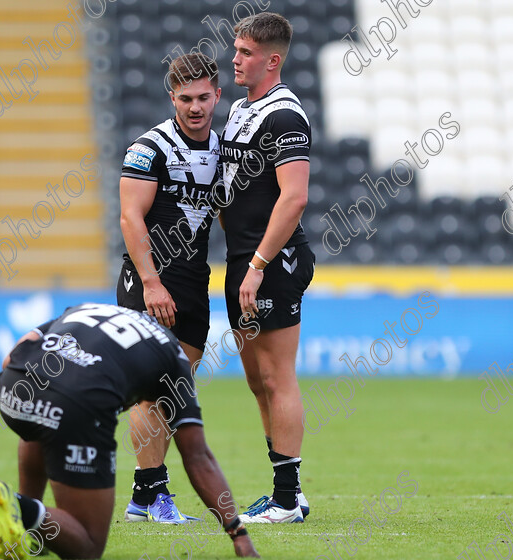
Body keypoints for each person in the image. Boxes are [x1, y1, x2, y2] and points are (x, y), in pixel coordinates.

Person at [0, 303, 259, 559]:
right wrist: (238, 532)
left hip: (14, 387)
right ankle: (21, 508)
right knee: (89, 544)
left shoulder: (87, 308)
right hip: (76, 402)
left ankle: (29, 532)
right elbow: (197, 456)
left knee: (43, 418)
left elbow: (16, 351)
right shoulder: (174, 359)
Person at [117, 52, 222, 522]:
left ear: (217, 95)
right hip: (151, 281)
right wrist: (151, 283)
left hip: (193, 283)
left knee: (173, 392)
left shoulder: (224, 148)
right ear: (171, 98)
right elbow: (130, 216)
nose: (195, 106)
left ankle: (144, 499)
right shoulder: (150, 147)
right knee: (149, 391)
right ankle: (154, 495)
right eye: (185, 98)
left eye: (203, 97)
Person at [218, 12, 315, 523]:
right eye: (236, 50)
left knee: (278, 377)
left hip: (271, 262)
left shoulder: (285, 116)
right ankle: (283, 488)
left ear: (272, 60)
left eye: (245, 52)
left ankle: (287, 497)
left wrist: (258, 265)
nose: (234, 59)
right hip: (242, 260)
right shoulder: (239, 110)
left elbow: (294, 198)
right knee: (257, 380)